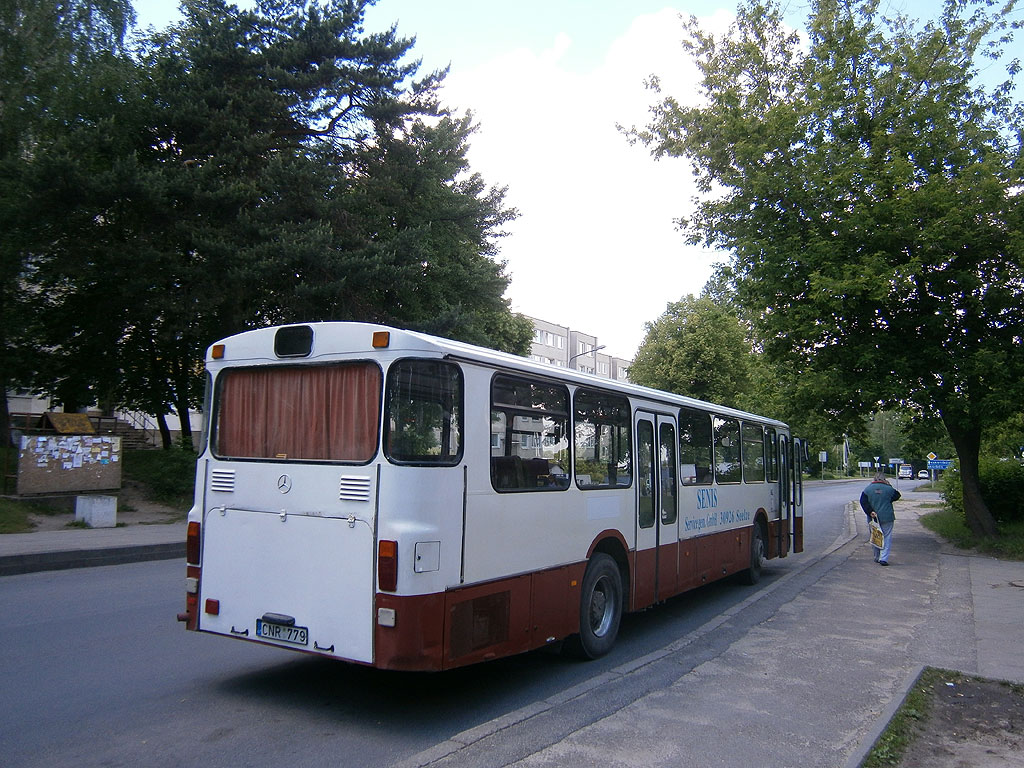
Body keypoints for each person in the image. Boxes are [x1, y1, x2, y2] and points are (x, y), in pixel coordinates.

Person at [860, 470, 900, 565]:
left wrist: (870, 512)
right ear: (884, 479)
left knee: (875, 537)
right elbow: (897, 495)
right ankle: (884, 558)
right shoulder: (889, 489)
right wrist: (889, 486)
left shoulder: (868, 489)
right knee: (886, 537)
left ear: (874, 478)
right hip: (887, 516)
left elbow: (863, 502)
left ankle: (877, 556)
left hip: (873, 518)